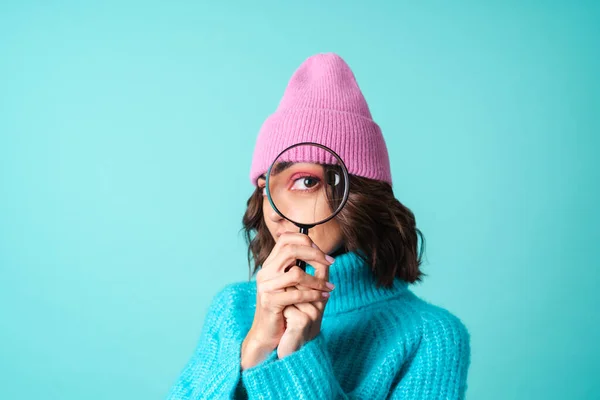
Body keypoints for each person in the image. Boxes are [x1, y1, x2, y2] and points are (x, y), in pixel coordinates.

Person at [165, 53, 471, 399]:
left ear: (357, 194)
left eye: (305, 182)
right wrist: (256, 347)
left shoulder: (430, 337)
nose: (276, 213)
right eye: (267, 189)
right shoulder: (232, 310)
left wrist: (298, 357)